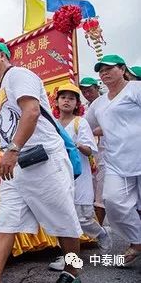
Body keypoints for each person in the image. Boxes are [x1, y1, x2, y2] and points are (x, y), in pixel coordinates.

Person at [0, 39, 82, 283]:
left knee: (64, 220)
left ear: (3, 55)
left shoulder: (18, 75)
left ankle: (73, 271)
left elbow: (30, 111)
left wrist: (13, 149)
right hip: (16, 165)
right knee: (6, 220)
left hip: (43, 159)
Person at [48, 84, 112, 271]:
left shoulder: (80, 122)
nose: (66, 100)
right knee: (63, 218)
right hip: (58, 176)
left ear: (77, 103)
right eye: (63, 97)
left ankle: (101, 233)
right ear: (57, 102)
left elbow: (90, 149)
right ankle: (68, 259)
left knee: (83, 218)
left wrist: (73, 144)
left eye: (71, 98)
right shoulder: (53, 123)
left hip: (79, 175)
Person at [85, 54, 141, 268]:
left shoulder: (136, 90)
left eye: (109, 68)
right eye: (101, 70)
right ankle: (137, 241)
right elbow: (85, 126)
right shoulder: (98, 104)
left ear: (123, 69)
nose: (104, 73)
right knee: (113, 201)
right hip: (117, 162)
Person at [79, 77, 105, 225]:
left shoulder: (106, 103)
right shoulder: (84, 107)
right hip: (90, 154)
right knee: (93, 189)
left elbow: (109, 126)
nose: (87, 93)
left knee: (101, 192)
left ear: (97, 88)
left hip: (106, 152)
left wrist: (89, 132)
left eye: (89, 90)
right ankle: (93, 229)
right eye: (84, 91)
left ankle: (98, 228)